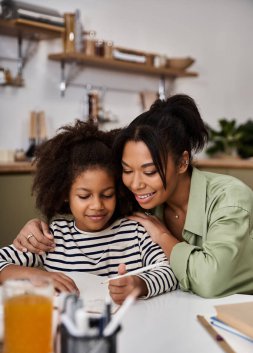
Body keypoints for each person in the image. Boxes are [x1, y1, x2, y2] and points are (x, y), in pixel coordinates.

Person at [15, 95, 253, 298]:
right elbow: (91, 216)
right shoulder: (137, 200)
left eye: (149, 171)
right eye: (127, 170)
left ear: (182, 162)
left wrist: (162, 235)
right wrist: (35, 228)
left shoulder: (230, 199)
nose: (136, 184)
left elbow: (210, 281)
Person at [0, 121, 177, 304]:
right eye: (84, 196)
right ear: (65, 195)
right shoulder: (53, 237)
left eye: (107, 195)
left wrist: (140, 284)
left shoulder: (136, 231)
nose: (97, 205)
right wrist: (32, 275)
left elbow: (171, 271)